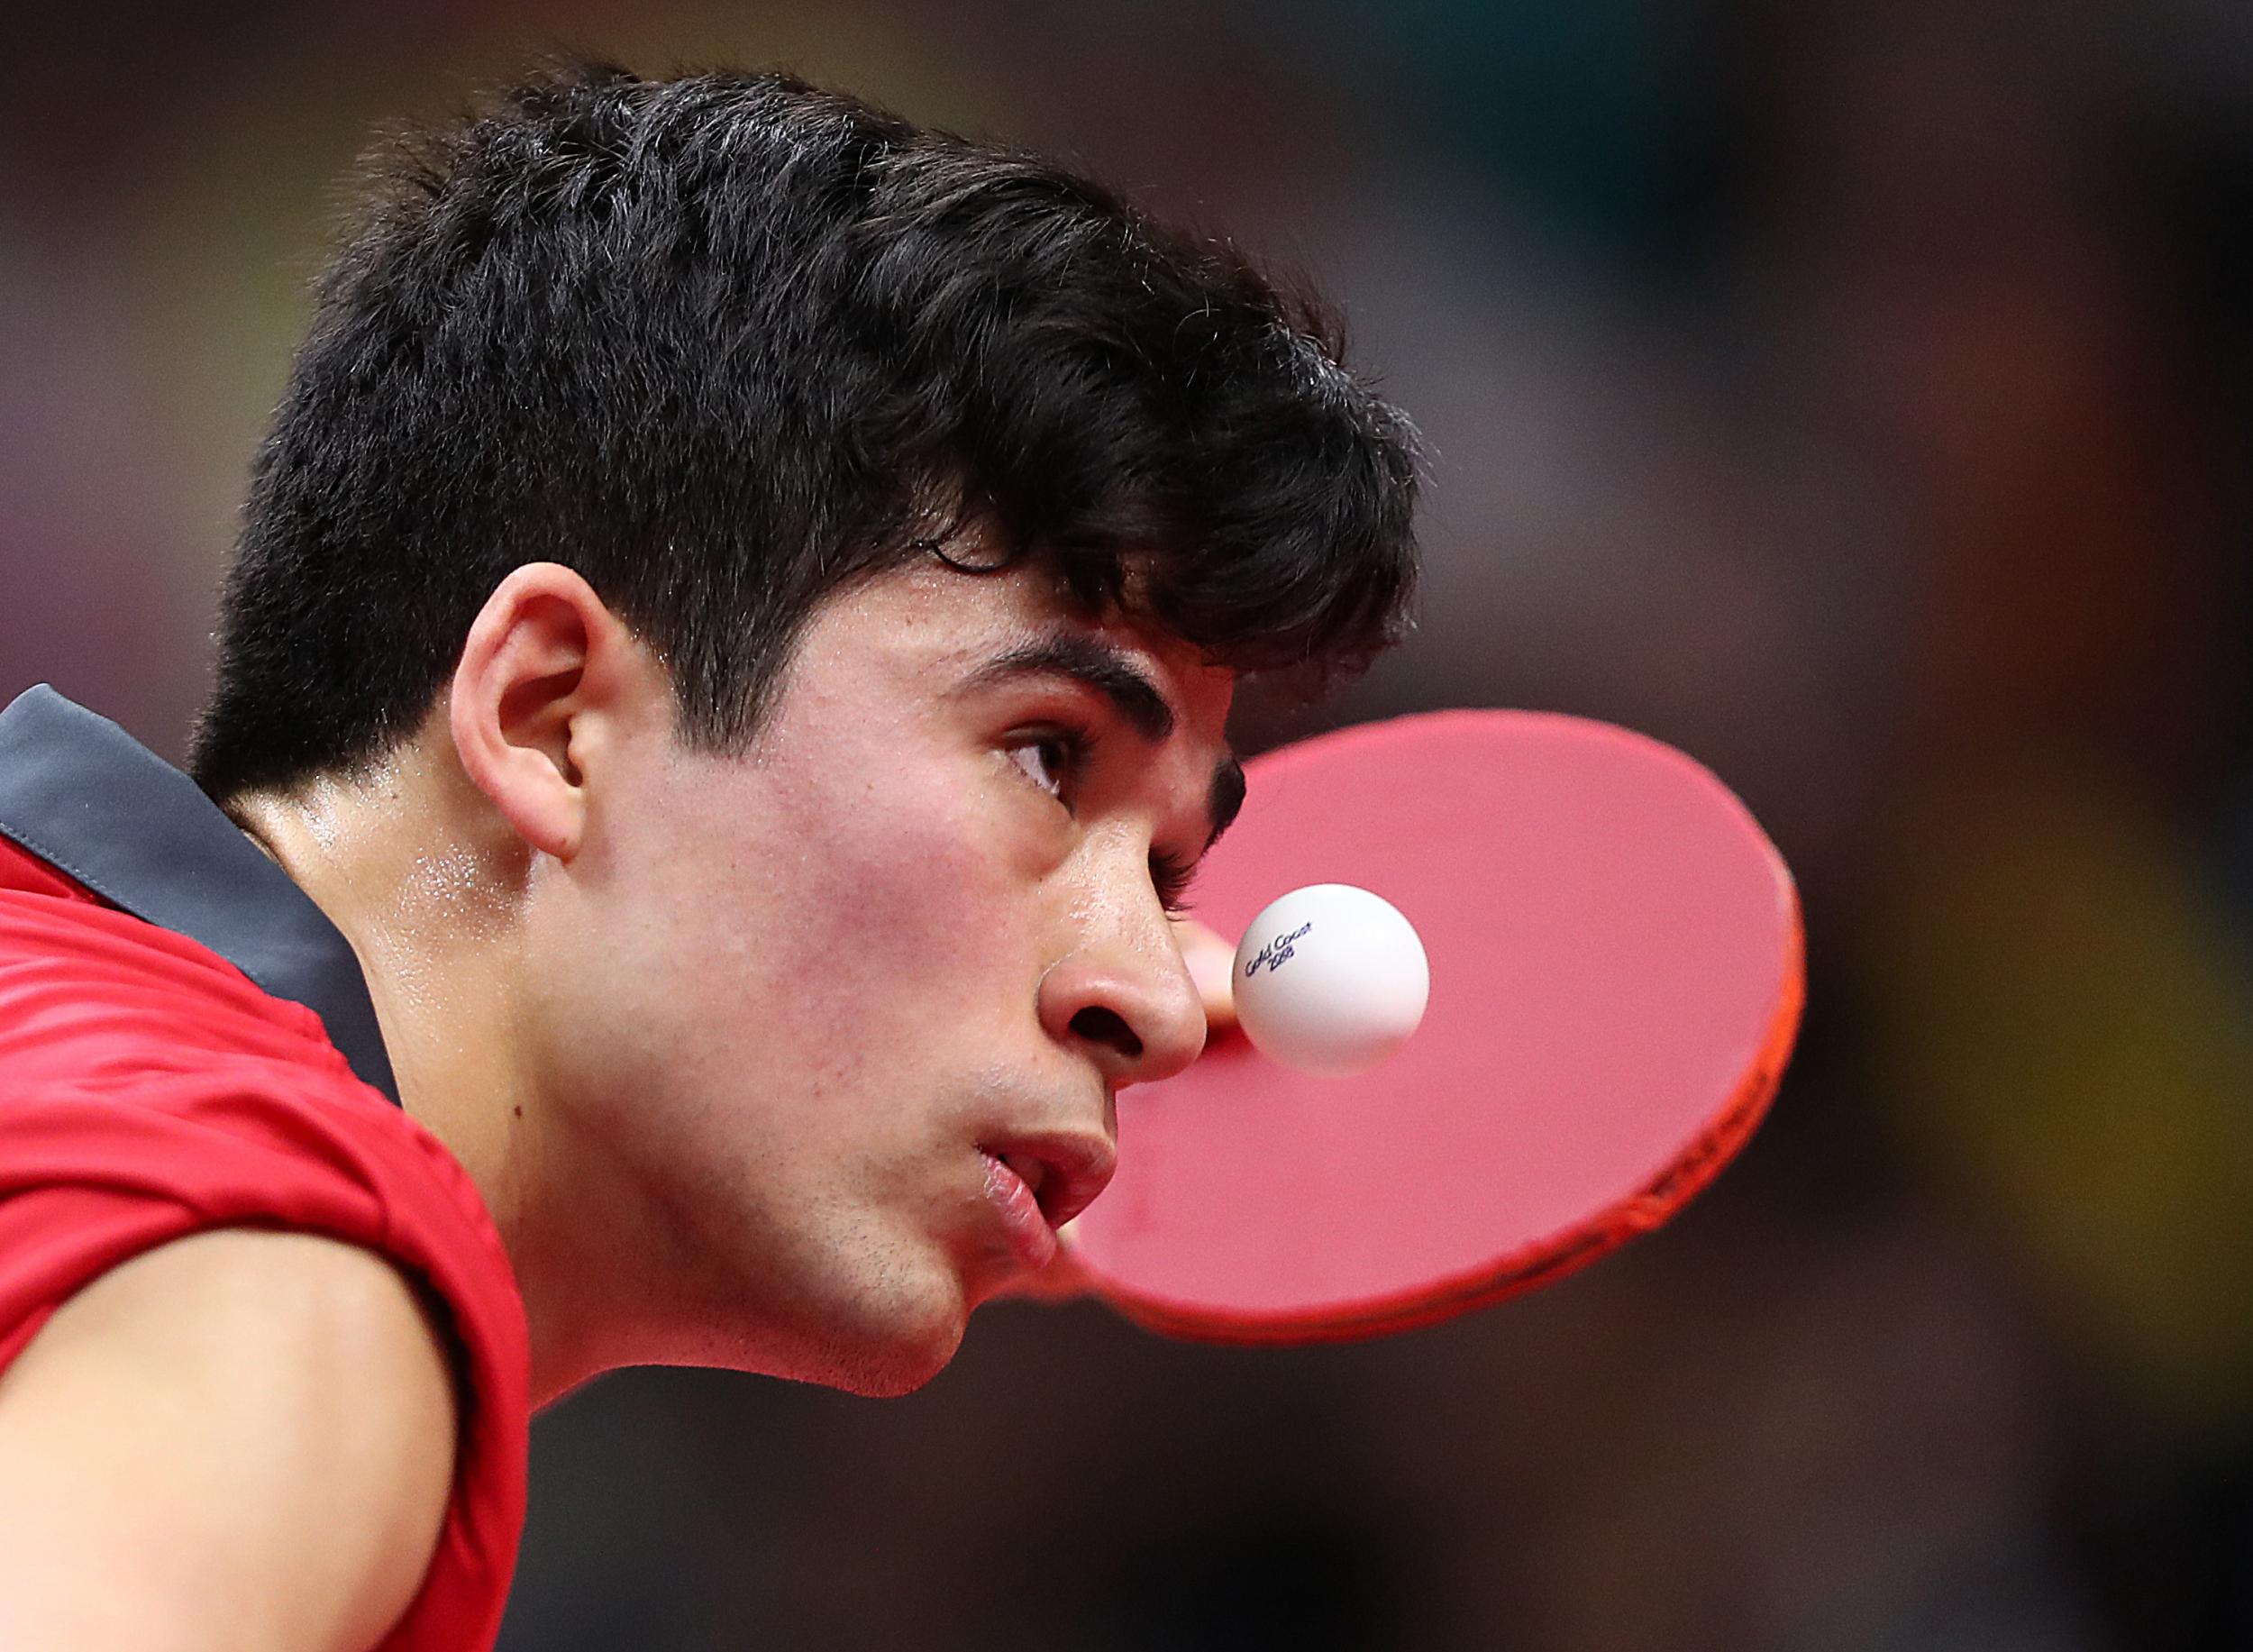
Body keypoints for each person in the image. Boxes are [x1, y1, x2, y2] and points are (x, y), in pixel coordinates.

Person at [0, 59, 1418, 1652]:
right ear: (550, 716)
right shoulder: (287, 1286)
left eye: (1164, 873)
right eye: (1045, 755)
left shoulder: (92, 1073)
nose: (1152, 1003)